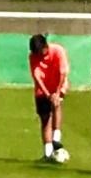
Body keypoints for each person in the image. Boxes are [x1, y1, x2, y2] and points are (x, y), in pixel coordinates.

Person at [29, 33, 69, 162]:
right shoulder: (33, 56)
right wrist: (47, 94)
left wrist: (56, 93)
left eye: (41, 52)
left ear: (46, 47)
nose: (39, 56)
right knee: (45, 119)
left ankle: (56, 138)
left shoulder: (58, 51)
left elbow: (62, 73)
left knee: (57, 104)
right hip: (43, 89)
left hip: (58, 84)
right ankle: (47, 153)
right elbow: (37, 76)